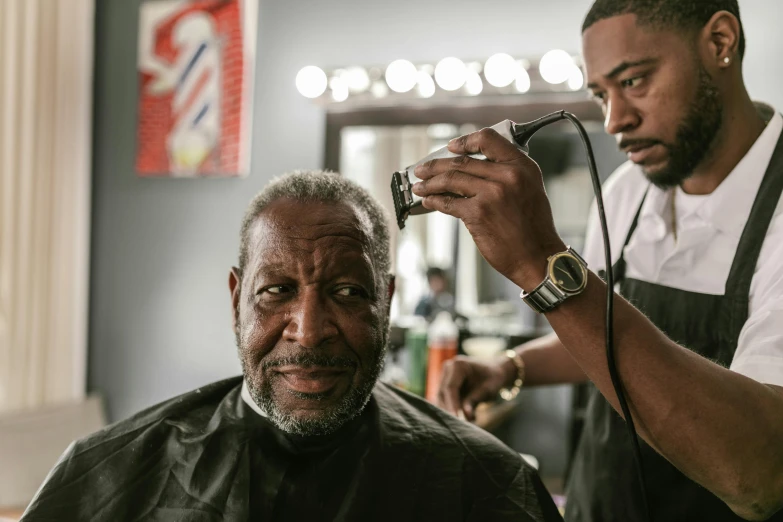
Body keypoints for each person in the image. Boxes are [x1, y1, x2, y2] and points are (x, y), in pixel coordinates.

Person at [414, 1, 783, 521]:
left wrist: (541, 263)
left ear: (721, 42)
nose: (614, 120)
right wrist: (512, 367)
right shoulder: (629, 190)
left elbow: (761, 472)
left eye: (633, 81)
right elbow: (608, 325)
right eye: (600, 94)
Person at [21, 171, 562, 522]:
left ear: (387, 301)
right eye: (276, 291)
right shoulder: (108, 475)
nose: (308, 328)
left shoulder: (487, 484)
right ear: (237, 299)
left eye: (348, 293)